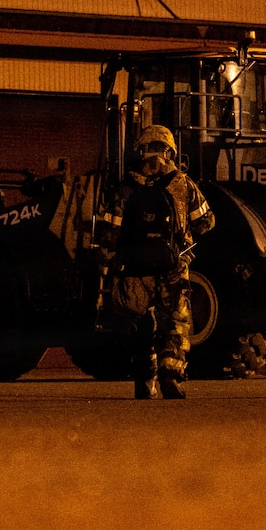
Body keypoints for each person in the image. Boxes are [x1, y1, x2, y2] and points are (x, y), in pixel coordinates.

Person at [93, 124, 216, 399]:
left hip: (134, 269)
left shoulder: (125, 187)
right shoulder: (183, 183)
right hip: (173, 266)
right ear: (170, 151)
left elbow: (108, 234)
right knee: (174, 322)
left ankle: (144, 380)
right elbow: (207, 222)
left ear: (141, 150)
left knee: (138, 322)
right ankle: (171, 375)